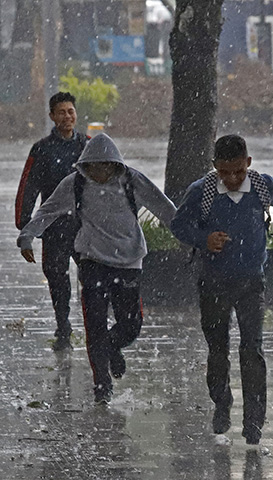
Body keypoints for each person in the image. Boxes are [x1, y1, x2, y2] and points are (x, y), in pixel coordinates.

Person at [170, 134, 273, 443]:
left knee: (252, 351)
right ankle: (222, 403)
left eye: (238, 171)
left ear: (248, 163)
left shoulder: (262, 186)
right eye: (225, 172)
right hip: (213, 282)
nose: (232, 179)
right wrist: (203, 239)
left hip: (252, 283)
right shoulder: (202, 192)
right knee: (217, 351)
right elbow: (178, 225)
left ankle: (254, 423)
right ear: (214, 167)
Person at [17, 133, 177, 404]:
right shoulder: (75, 183)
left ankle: (113, 347)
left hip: (128, 262)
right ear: (85, 166)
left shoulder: (132, 180)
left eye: (105, 166)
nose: (99, 173)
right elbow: (48, 210)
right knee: (94, 326)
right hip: (92, 262)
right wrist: (27, 236)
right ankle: (101, 385)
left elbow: (164, 208)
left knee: (131, 325)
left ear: (115, 165)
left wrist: (193, 237)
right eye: (93, 167)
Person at [15, 92, 88, 351]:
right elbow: (28, 186)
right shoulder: (42, 149)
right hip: (55, 227)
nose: (67, 117)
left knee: (92, 277)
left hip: (84, 226)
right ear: (52, 117)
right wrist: (26, 226)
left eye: (71, 111)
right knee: (57, 278)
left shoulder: (87, 146)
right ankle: (63, 325)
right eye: (61, 112)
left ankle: (94, 325)